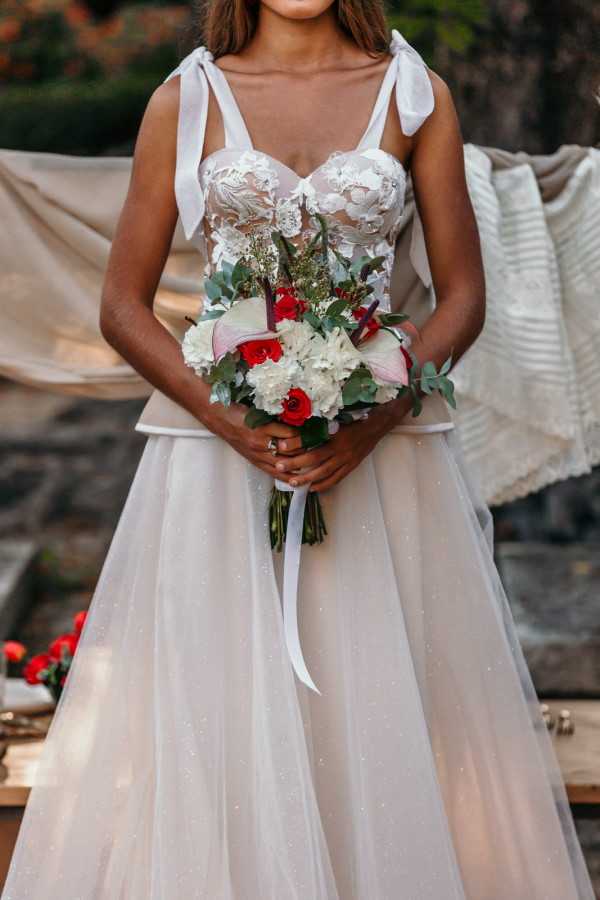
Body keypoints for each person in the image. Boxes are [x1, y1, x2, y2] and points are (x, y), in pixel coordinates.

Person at [2, 1, 595, 897]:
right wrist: (231, 420)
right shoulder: (186, 99)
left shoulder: (414, 93)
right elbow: (121, 307)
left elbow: (462, 297)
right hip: (214, 464)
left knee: (379, 714)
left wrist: (370, 422)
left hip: (385, 462)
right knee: (223, 714)